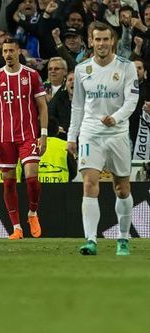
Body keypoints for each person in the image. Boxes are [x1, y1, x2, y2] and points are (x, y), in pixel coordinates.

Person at [67, 21, 139, 256]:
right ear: (91, 41)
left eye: (106, 39)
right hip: (91, 133)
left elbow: (131, 100)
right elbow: (77, 106)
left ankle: (123, 238)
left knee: (122, 189)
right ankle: (91, 240)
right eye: (97, 39)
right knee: (89, 184)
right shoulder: (81, 69)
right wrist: (72, 136)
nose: (102, 43)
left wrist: (116, 118)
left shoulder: (126, 67)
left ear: (113, 41)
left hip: (117, 134)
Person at [0, 38, 48, 240]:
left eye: (12, 50)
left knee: (32, 180)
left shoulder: (31, 75)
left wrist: (44, 135)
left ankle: (33, 213)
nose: (8, 54)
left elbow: (42, 107)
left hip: (28, 134)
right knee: (8, 183)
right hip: (4, 137)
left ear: (19, 51)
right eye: (5, 51)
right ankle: (17, 228)